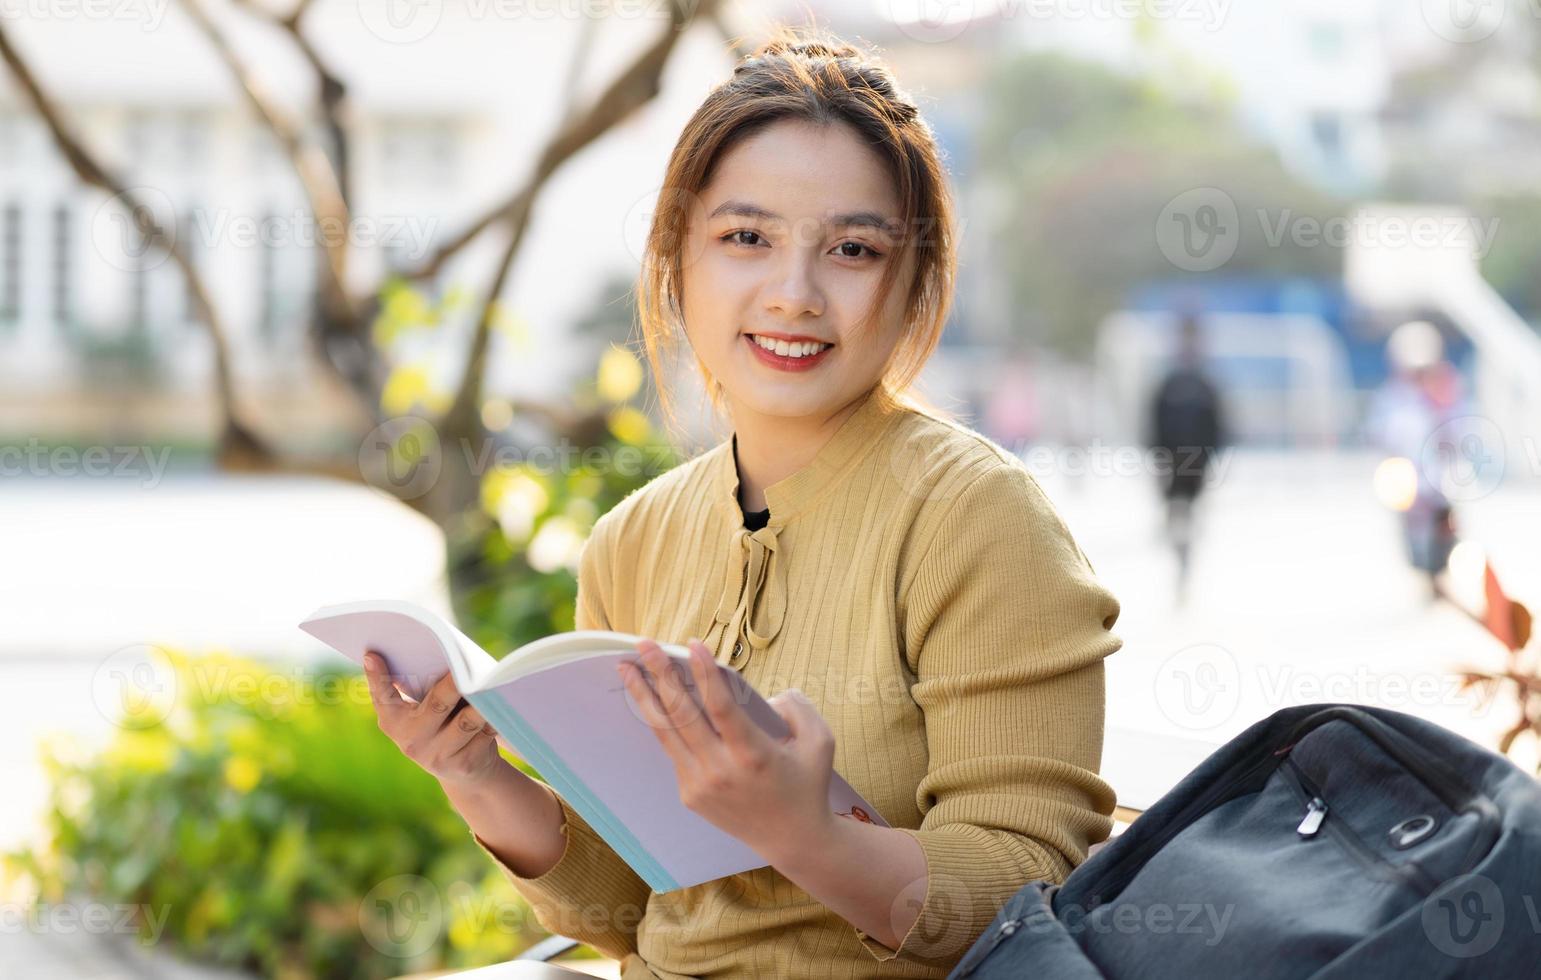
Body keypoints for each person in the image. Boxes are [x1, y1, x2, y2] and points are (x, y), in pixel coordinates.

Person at [362, 28, 1122, 980]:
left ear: (913, 279)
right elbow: (632, 914)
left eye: (851, 248)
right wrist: (475, 777)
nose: (793, 293)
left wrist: (806, 837)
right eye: (745, 238)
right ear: (677, 260)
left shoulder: (976, 518)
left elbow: (1028, 895)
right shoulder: (631, 542)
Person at [1145, 315, 1227, 604]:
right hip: (1171, 465)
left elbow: (1219, 427)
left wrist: (1211, 462)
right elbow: (1153, 426)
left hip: (1196, 467)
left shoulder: (1207, 385)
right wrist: (1157, 461)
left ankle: (1184, 568)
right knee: (1175, 518)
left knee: (1187, 520)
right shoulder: (1167, 383)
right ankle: (1179, 559)